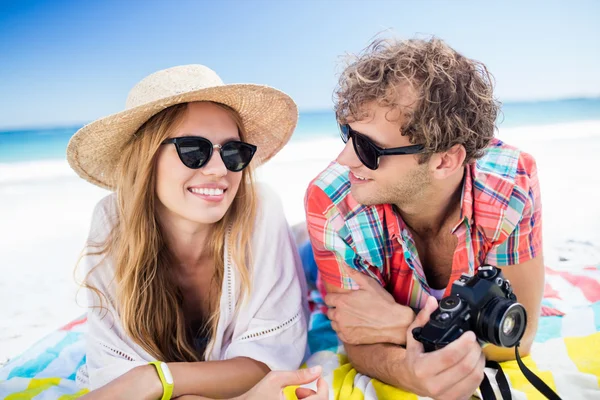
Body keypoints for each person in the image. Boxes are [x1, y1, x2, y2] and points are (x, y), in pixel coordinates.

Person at [304, 37, 544, 399]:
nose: (345, 159)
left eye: (368, 148)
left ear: (445, 161)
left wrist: (403, 324)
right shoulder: (332, 203)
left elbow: (519, 338)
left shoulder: (510, 184)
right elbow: (356, 332)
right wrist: (408, 373)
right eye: (348, 135)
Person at [69, 64, 327, 400]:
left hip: (298, 256)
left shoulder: (260, 207)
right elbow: (113, 373)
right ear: (145, 158)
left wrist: (154, 379)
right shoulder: (111, 221)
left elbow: (272, 358)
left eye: (234, 153)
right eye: (194, 150)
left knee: (314, 250)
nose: (220, 170)